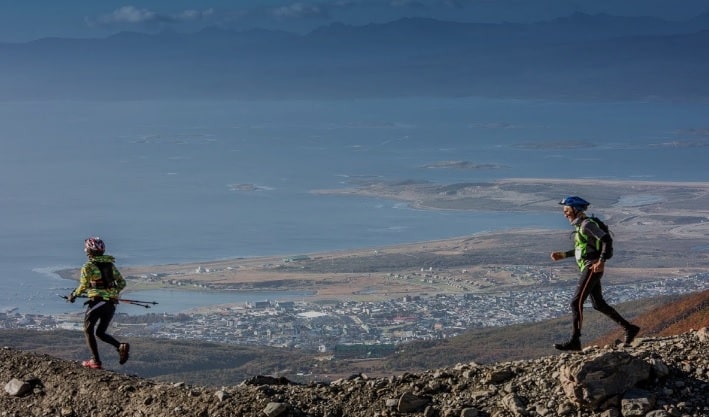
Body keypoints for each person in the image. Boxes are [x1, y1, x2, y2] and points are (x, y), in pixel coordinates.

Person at [550, 196, 640, 351]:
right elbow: (583, 250)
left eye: (566, 210)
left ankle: (575, 341)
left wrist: (601, 261)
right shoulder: (580, 227)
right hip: (590, 266)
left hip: (592, 267)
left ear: (575, 209)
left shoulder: (586, 225)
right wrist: (564, 255)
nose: (565, 214)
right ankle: (629, 328)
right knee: (598, 304)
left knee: (575, 303)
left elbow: (606, 240)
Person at [68, 237, 130, 369]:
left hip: (97, 302)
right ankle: (119, 346)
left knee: (88, 329)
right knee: (100, 333)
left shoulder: (88, 266)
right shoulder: (110, 265)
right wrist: (112, 293)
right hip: (111, 304)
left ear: (89, 251)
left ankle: (95, 361)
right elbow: (122, 283)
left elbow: (83, 285)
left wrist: (73, 295)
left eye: (86, 250)